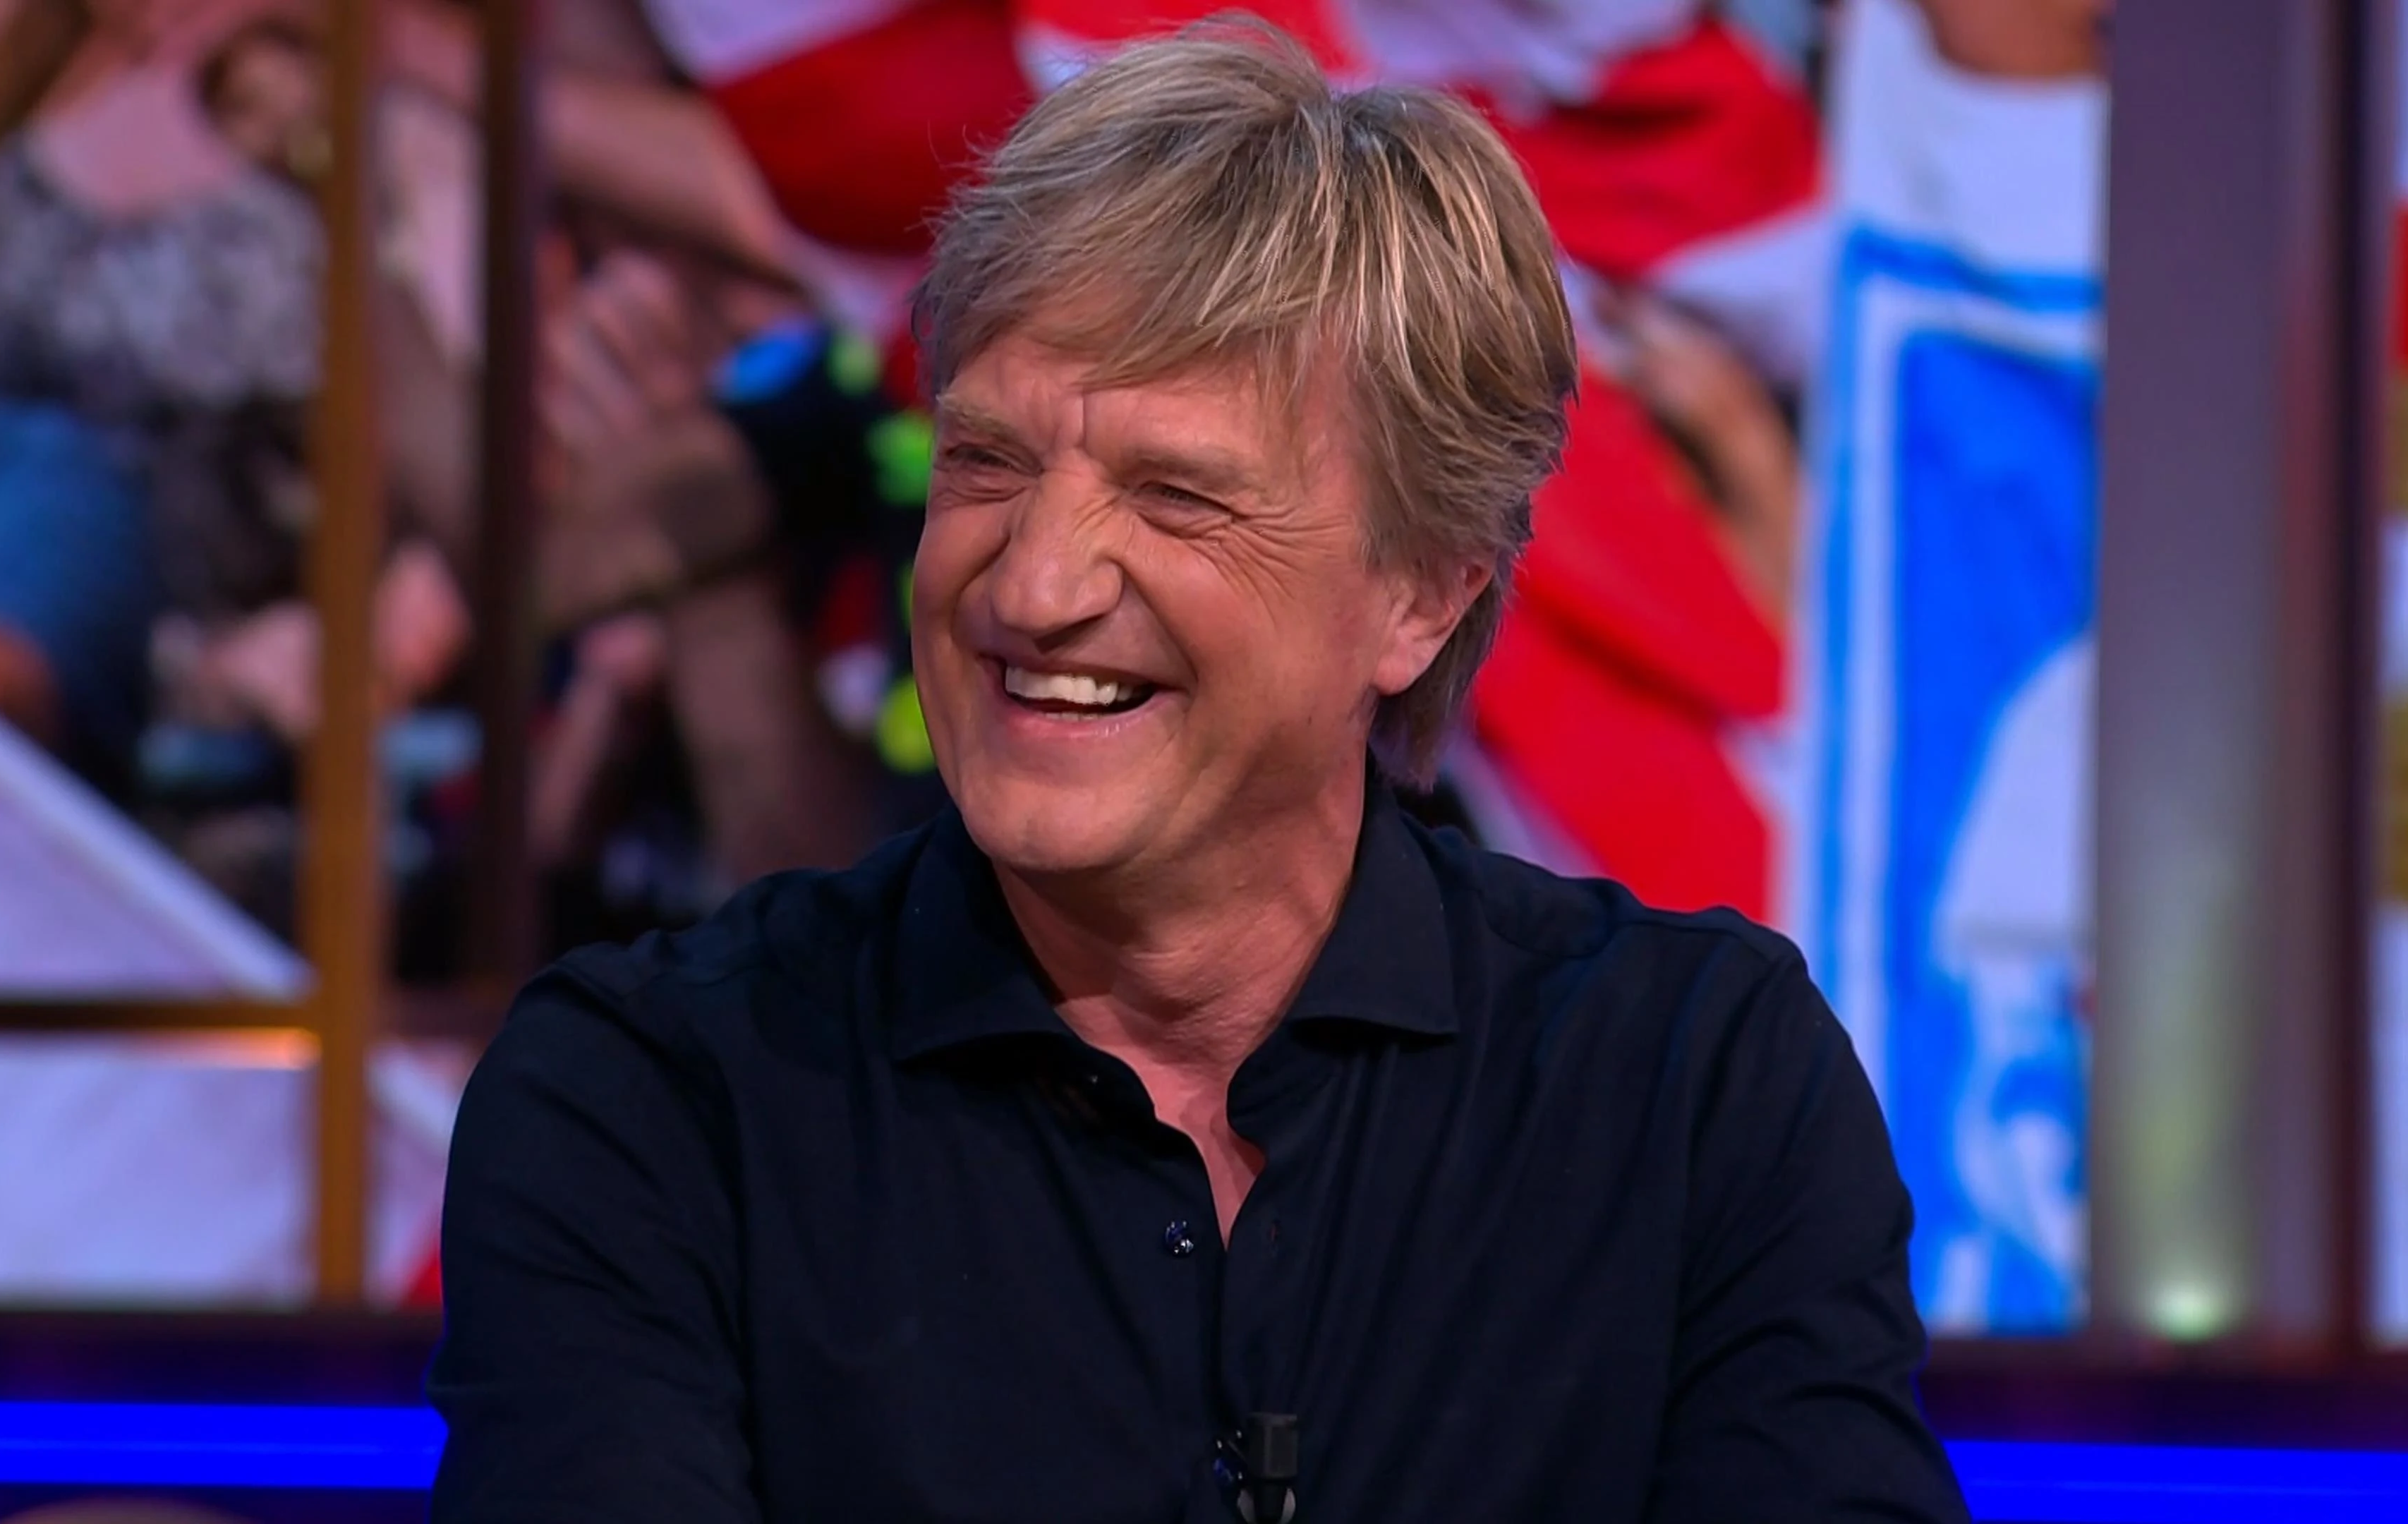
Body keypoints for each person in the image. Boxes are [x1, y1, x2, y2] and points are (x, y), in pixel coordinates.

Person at [430, 22, 1965, 1523]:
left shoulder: (1694, 1089)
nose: (1033, 585)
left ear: (1420, 594)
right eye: (985, 463)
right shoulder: (649, 1103)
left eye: (1174, 494)